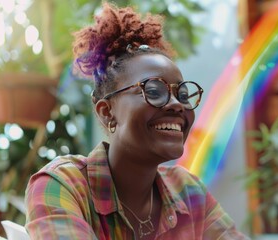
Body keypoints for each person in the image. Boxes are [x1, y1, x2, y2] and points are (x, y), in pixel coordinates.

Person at [25, 2, 249, 240]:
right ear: (106, 112)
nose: (177, 104)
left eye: (182, 94)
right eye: (153, 90)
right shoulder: (64, 185)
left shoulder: (188, 191)